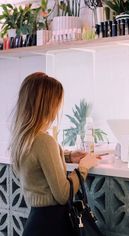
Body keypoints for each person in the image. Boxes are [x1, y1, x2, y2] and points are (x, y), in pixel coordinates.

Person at [9, 72, 99, 236]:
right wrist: (83, 167)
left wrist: (67, 157)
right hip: (53, 224)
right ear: (49, 105)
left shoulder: (22, 139)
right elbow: (63, 194)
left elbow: (36, 161)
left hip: (35, 222)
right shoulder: (44, 141)